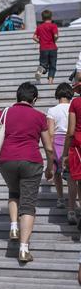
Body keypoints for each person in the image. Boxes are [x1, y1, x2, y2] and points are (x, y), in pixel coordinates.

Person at [0, 82, 54, 263]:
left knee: (13, 192)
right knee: (29, 204)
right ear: (34, 99)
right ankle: (24, 249)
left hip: (6, 161)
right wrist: (50, 167)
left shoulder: (4, 113)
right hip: (31, 162)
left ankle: (14, 226)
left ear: (17, 96)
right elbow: (48, 148)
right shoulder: (40, 116)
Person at [47, 83, 76, 223]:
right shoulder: (73, 107)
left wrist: (49, 151)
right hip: (72, 141)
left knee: (57, 172)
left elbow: (50, 133)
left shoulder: (52, 110)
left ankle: (60, 199)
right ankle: (72, 208)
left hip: (57, 142)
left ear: (57, 94)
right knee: (71, 177)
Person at [62, 83, 81, 228]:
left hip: (78, 146)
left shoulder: (75, 102)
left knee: (79, 180)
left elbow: (70, 131)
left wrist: (65, 154)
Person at [33, 10, 58, 84]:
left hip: (43, 48)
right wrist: (54, 41)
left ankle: (39, 73)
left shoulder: (40, 27)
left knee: (43, 64)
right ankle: (50, 81)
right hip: (53, 48)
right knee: (52, 65)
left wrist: (40, 41)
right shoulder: (53, 26)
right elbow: (56, 36)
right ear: (51, 17)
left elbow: (34, 37)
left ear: (42, 18)